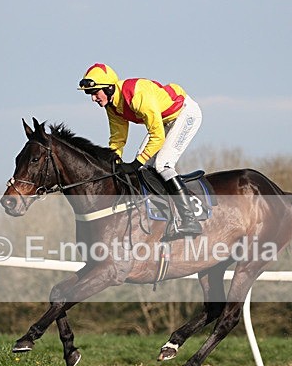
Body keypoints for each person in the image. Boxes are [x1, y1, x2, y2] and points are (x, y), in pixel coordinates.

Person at [78, 63, 203, 237]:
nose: (93, 98)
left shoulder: (136, 96)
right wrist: (114, 161)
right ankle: (163, 213)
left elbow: (157, 136)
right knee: (144, 168)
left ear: (108, 88)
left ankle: (190, 220)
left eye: (94, 92)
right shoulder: (112, 106)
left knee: (162, 164)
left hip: (185, 114)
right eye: (89, 94)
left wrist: (135, 164)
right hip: (165, 121)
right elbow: (117, 138)